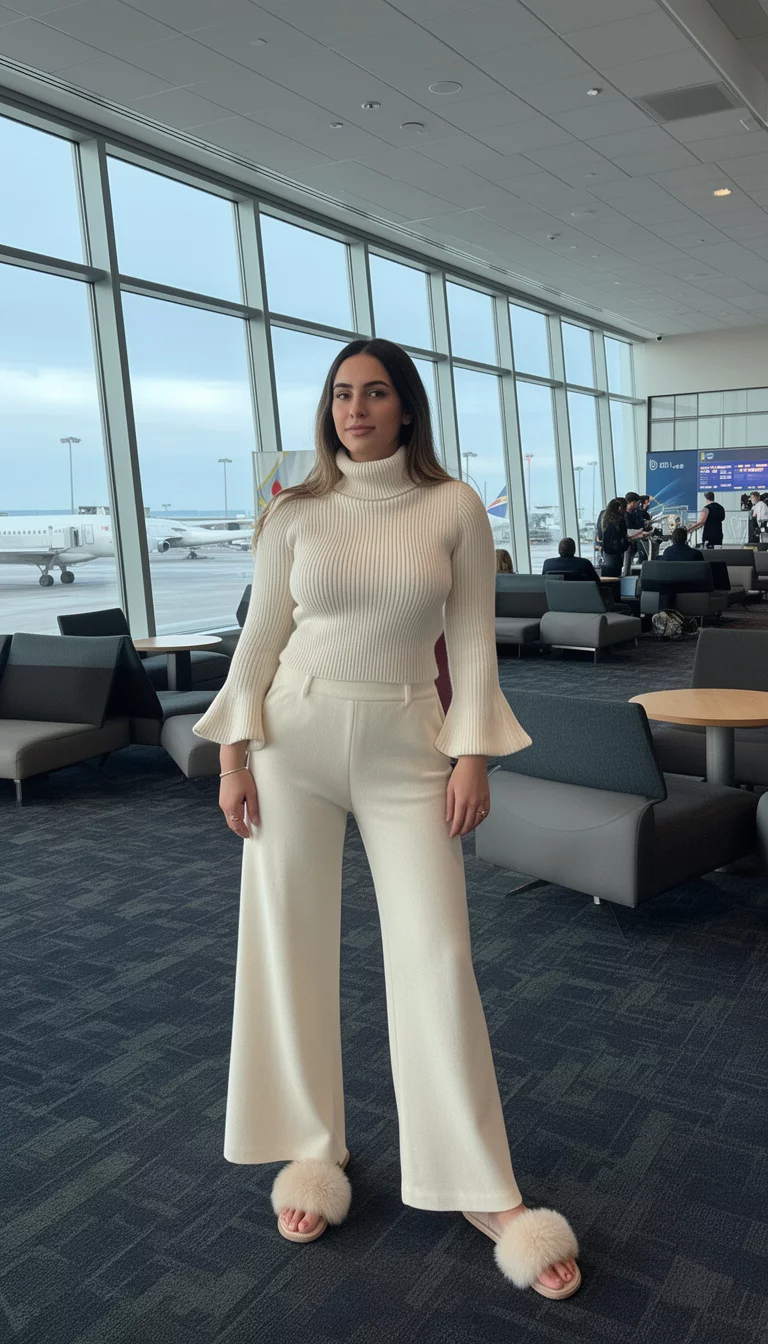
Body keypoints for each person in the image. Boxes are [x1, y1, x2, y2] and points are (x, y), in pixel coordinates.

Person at [192, 338, 581, 1299]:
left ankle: (479, 1186)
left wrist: (473, 753)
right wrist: (233, 755)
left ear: (406, 407)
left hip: (409, 739)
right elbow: (262, 637)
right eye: (340, 395)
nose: (354, 409)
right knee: (286, 947)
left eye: (374, 393)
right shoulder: (297, 512)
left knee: (436, 952)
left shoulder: (454, 508)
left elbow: (471, 639)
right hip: (295, 738)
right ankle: (311, 1150)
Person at [599, 498, 629, 577]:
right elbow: (622, 537)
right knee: (616, 576)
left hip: (606, 553)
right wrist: (628, 542)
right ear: (619, 508)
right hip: (616, 553)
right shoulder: (619, 520)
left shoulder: (604, 519)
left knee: (608, 576)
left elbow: (600, 536)